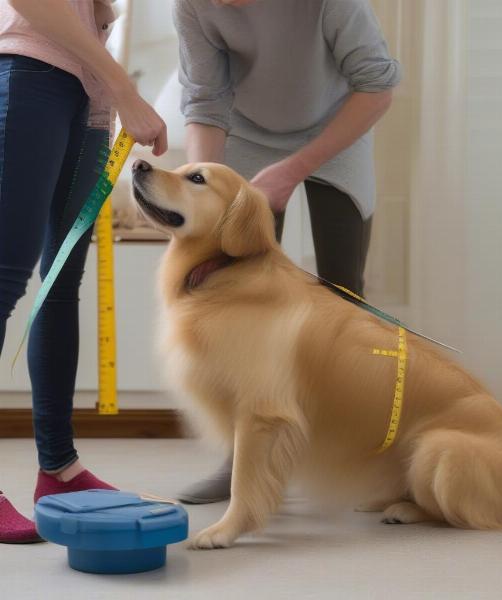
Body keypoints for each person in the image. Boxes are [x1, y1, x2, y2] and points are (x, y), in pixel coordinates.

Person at [173, 0, 400, 504]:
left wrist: (295, 167)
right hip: (247, 133)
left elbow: (377, 86)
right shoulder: (191, 5)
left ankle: (353, 455)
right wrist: (201, 197)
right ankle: (244, 461)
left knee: (344, 298)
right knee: (235, 295)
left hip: (338, 129)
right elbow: (207, 102)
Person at [0, 0, 167, 543]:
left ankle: (59, 469)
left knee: (59, 285)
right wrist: (125, 87)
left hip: (86, 96)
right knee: (5, 278)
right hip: (29, 71)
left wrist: (108, 85)